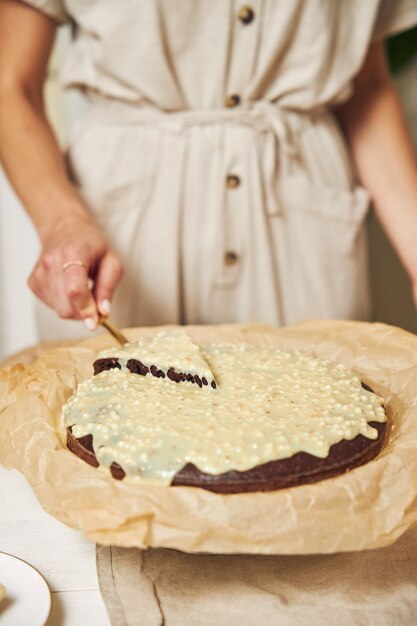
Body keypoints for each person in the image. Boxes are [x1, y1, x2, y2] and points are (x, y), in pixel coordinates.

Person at [1, 0, 417, 340]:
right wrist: (62, 225)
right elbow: (10, 82)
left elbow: (366, 87)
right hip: (122, 232)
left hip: (301, 228)